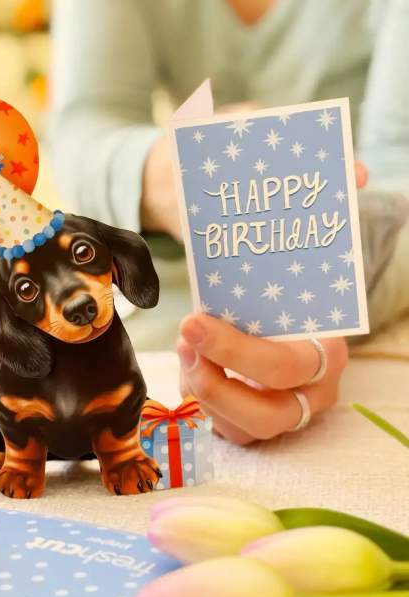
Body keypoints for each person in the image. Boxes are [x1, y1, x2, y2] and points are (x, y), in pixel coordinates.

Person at [48, 0, 409, 444]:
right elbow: (84, 128)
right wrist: (175, 176)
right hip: (176, 285)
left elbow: (400, 163)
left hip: (367, 276)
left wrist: (320, 291)